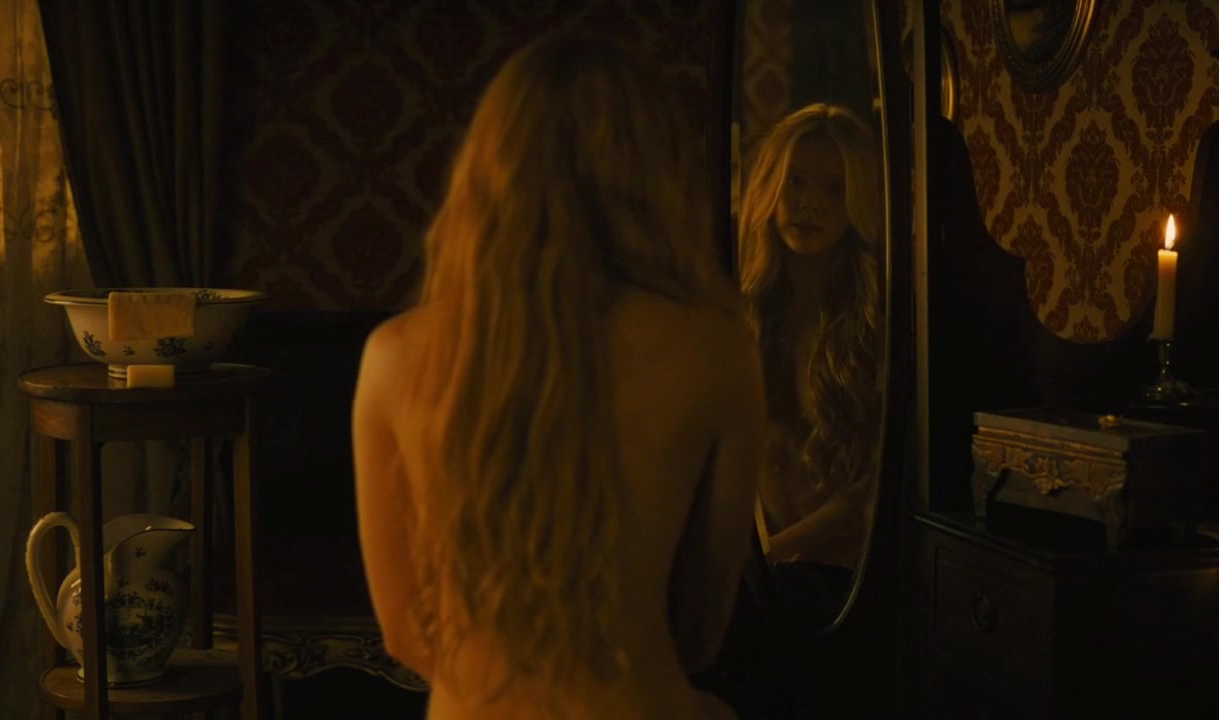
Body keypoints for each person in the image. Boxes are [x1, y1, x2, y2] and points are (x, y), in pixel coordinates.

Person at [351, 31, 763, 720]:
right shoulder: (716, 351)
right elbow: (699, 630)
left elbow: (403, 632)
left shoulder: (394, 355)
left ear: (488, 169)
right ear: (656, 174)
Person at [736, 103, 884, 571]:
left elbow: (875, 485)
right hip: (758, 566)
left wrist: (774, 554)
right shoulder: (743, 310)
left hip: (842, 574)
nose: (810, 203)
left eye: (835, 189)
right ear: (770, 185)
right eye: (795, 181)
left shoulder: (872, 323)